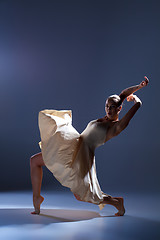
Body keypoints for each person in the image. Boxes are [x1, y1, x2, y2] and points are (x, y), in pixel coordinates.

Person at [30, 76, 149, 216]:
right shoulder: (108, 114)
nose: (108, 109)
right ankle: (37, 198)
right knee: (34, 161)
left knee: (83, 195)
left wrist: (137, 100)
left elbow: (129, 110)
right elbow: (122, 94)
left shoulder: (116, 127)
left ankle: (117, 202)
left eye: (112, 107)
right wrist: (139, 87)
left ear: (119, 108)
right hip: (74, 144)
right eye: (107, 106)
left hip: (83, 157)